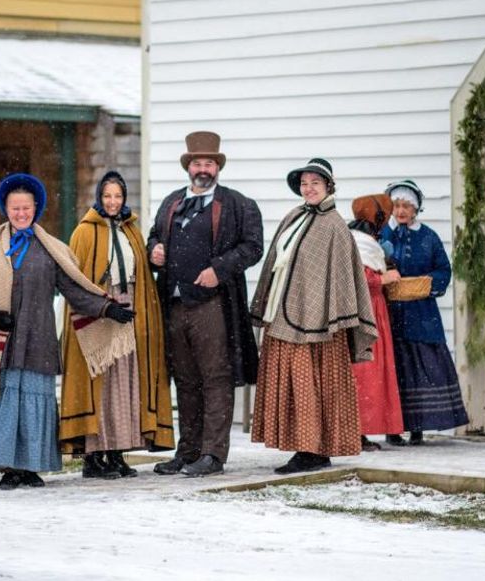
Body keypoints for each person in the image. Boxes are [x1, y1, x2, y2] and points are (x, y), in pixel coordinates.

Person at [0, 172, 133, 490]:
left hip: (38, 338)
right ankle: (10, 467)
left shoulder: (52, 250)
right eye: (15, 208)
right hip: (3, 339)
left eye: (26, 208)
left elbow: (74, 289)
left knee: (34, 400)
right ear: (6, 209)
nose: (21, 213)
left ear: (36, 208)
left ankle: (30, 466)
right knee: (7, 400)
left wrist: (108, 308)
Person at [250, 159, 378, 474]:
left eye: (315, 184)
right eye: (305, 183)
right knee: (293, 383)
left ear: (328, 187)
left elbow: (342, 278)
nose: (309, 189)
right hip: (285, 315)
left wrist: (327, 316)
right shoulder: (294, 216)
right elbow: (277, 261)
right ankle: (303, 446)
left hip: (320, 326)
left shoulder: (334, 225)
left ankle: (313, 450)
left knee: (311, 384)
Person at [146, 132, 263, 477]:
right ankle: (188, 451)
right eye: (197, 163)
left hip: (213, 303)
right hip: (175, 303)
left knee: (216, 378)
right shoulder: (171, 202)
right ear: (188, 166)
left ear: (217, 167)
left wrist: (219, 270)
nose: (203, 169)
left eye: (209, 163)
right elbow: (154, 235)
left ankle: (213, 454)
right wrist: (155, 251)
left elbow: (252, 247)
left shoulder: (238, 204)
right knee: (185, 379)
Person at [59, 171, 174, 478]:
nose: (112, 202)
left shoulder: (131, 229)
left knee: (126, 383)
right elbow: (76, 279)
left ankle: (117, 452)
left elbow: (143, 269)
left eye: (118, 196)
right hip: (100, 313)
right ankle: (94, 456)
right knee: (101, 384)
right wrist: (103, 305)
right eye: (107, 196)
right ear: (99, 197)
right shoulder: (84, 232)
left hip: (131, 308)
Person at [380, 180, 470, 444]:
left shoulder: (428, 236)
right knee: (395, 369)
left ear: (416, 209)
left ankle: (418, 427)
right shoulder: (383, 233)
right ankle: (393, 428)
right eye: (396, 205)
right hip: (392, 313)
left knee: (421, 369)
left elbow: (444, 270)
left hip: (421, 314)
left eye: (406, 205)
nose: (401, 211)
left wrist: (427, 283)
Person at [347, 193, 404, 451]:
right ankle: (355, 431)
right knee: (364, 372)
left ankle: (361, 431)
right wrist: (385, 279)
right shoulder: (360, 244)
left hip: (372, 311)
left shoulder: (364, 241)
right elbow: (358, 280)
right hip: (364, 314)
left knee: (369, 373)